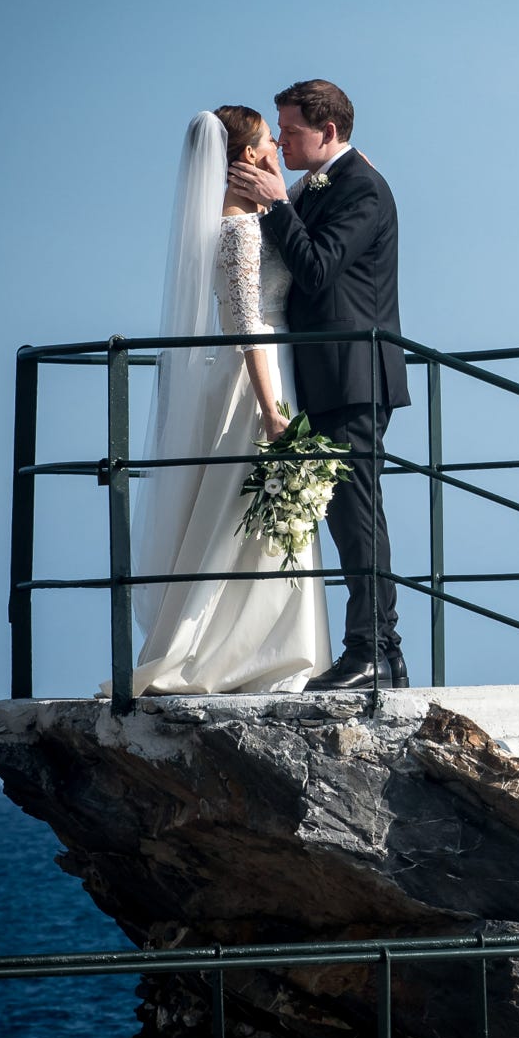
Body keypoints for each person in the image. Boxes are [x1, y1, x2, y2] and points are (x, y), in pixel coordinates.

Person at [128, 109, 328, 694]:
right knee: (242, 517)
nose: (278, 147)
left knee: (250, 515)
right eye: (270, 140)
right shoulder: (238, 228)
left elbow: (284, 204)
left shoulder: (250, 215)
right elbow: (246, 321)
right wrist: (271, 409)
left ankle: (267, 648)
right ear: (245, 156)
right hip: (256, 377)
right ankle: (242, 653)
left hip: (264, 369)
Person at [229, 79, 412, 690]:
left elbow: (316, 270)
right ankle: (380, 649)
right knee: (346, 516)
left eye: (292, 130)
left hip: (355, 374)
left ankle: (372, 652)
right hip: (324, 375)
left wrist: (278, 205)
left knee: (357, 516)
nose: (282, 141)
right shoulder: (320, 184)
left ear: (327, 131)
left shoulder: (361, 186)